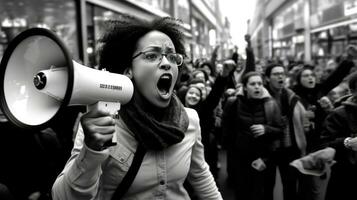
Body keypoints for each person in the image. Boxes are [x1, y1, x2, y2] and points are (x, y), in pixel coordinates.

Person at [52, 16, 222, 200]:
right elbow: (63, 196)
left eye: (172, 57)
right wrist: (91, 151)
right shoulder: (103, 124)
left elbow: (201, 176)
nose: (166, 63)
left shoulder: (191, 121)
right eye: (151, 55)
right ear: (128, 71)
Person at [222, 71, 283, 200]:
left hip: (265, 160)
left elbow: (280, 130)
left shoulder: (271, 104)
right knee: (243, 194)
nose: (257, 87)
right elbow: (226, 133)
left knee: (264, 194)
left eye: (260, 84)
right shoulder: (233, 103)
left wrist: (266, 129)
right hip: (241, 161)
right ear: (244, 87)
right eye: (253, 84)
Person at [264, 63, 307, 200]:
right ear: (267, 78)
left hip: (289, 148)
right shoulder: (261, 96)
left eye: (282, 73)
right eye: (276, 74)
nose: (280, 76)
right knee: (266, 187)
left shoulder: (291, 96)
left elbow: (302, 119)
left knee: (290, 187)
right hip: (268, 149)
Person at [319, 71, 357, 200]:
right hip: (345, 178)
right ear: (353, 91)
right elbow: (324, 144)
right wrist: (347, 142)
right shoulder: (339, 114)